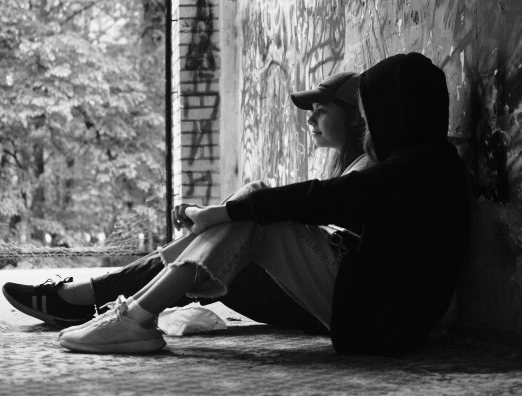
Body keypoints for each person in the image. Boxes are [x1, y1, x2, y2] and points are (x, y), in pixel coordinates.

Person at [3, 70, 369, 338]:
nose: (310, 119)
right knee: (236, 222)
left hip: (332, 304)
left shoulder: (371, 170)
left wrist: (213, 218)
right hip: (315, 293)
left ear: (355, 119)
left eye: (321, 111)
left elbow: (302, 218)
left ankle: (94, 302)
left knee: (251, 206)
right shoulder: (348, 167)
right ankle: (100, 303)